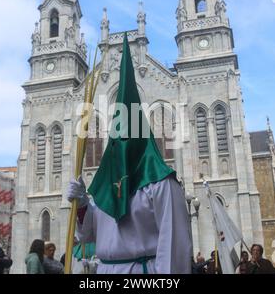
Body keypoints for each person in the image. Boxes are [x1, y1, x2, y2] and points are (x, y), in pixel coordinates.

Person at [67, 34, 192, 274]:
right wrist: (82, 205)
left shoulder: (162, 184)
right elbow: (89, 234)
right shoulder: (106, 185)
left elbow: (174, 246)